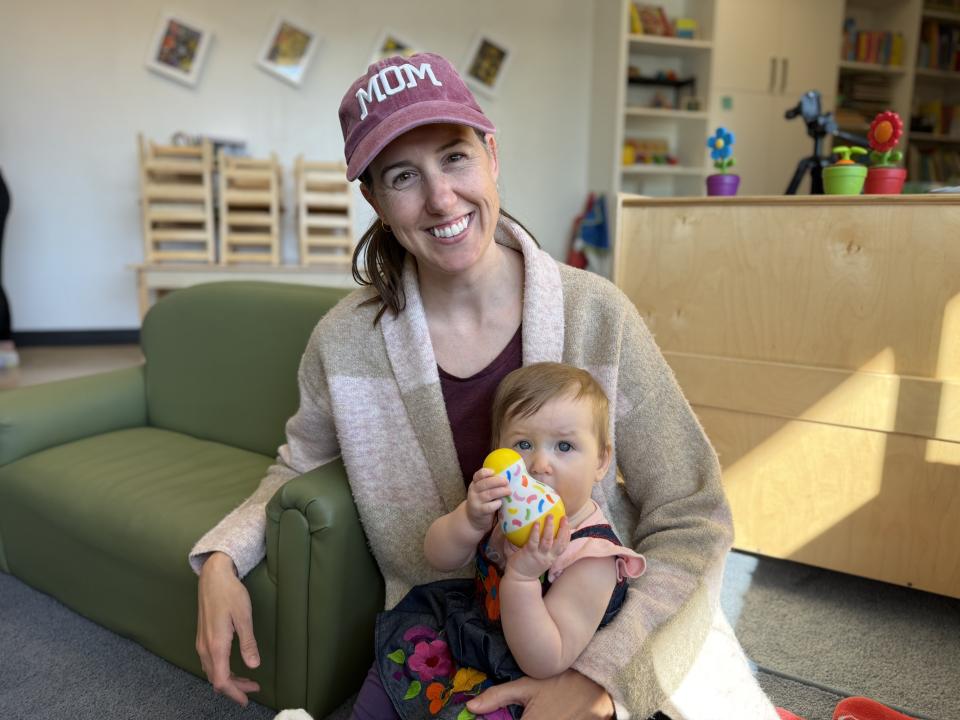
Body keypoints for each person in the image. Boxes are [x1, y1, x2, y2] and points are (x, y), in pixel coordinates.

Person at [191, 52, 779, 719]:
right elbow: (298, 464)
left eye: (455, 158)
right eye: (404, 176)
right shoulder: (345, 341)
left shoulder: (598, 315)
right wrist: (222, 559)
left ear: (491, 155)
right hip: (444, 638)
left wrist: (599, 679)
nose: (441, 198)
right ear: (375, 200)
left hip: (588, 628)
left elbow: (693, 514)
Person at [355, 362, 646, 720]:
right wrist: (468, 520)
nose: (539, 465)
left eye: (564, 446)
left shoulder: (592, 557)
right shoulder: (503, 508)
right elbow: (438, 557)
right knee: (393, 667)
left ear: (601, 461)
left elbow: (546, 659)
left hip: (521, 673)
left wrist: (522, 578)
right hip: (467, 628)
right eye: (523, 444)